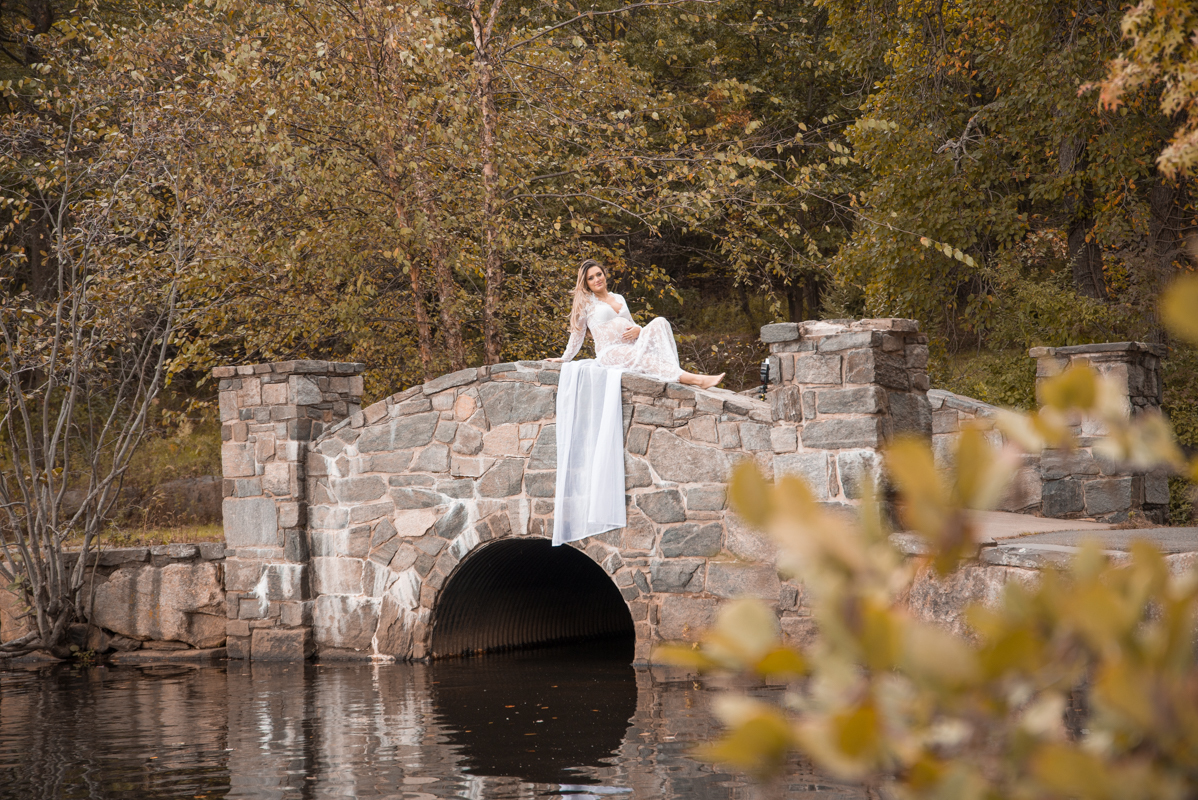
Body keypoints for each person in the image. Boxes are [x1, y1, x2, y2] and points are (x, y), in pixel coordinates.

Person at [547, 260, 725, 389]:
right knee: (645, 358)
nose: (596, 279)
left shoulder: (618, 298)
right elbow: (577, 334)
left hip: (632, 344)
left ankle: (675, 371)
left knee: (660, 322)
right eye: (590, 278)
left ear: (604, 274)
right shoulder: (585, 304)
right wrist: (564, 358)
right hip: (610, 351)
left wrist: (639, 329)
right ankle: (697, 380)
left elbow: (631, 324)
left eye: (598, 274)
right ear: (586, 283)